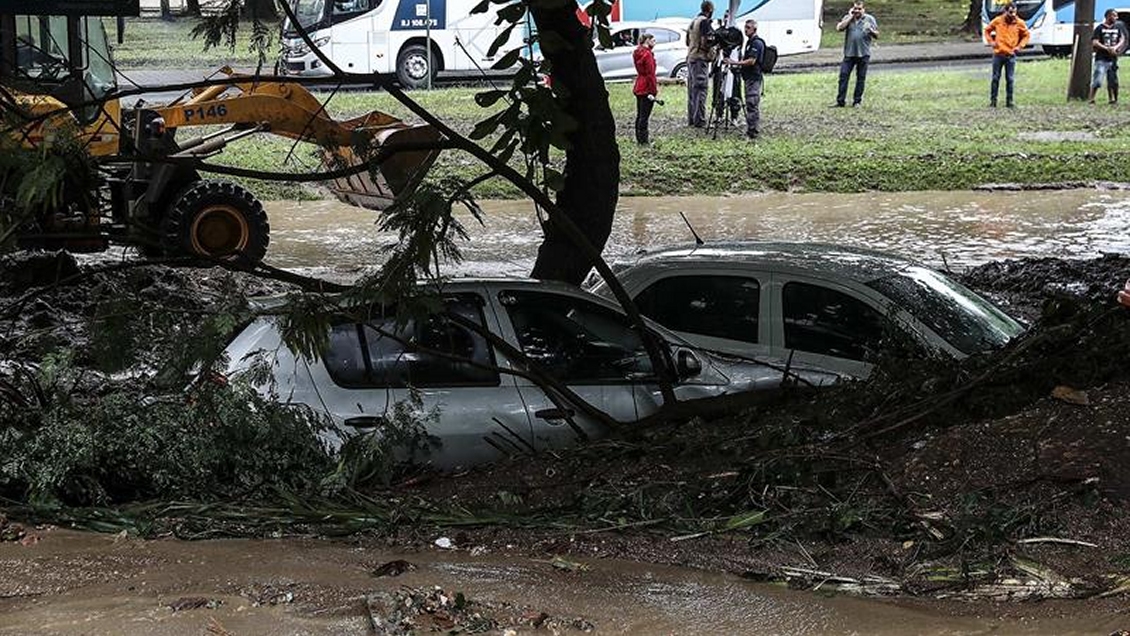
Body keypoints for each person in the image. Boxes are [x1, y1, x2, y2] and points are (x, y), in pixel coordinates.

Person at [983, 2, 1030, 108]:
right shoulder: (998, 21)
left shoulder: (1019, 23)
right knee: (995, 78)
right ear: (1005, 11)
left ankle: (1010, 101)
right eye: (1010, 12)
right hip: (998, 54)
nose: (1012, 15)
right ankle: (993, 101)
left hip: (1011, 55)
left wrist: (1020, 46)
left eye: (1014, 12)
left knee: (1010, 79)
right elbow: (987, 30)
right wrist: (991, 42)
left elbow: (1026, 35)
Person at [835, 1, 879, 108]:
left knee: (860, 78)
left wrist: (871, 31)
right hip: (849, 54)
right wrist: (850, 17)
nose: (857, 11)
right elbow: (839, 28)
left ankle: (857, 101)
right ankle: (841, 101)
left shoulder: (869, 19)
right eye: (855, 8)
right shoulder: (848, 18)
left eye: (859, 9)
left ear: (863, 9)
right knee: (843, 76)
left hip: (863, 54)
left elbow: (877, 35)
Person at [726, 19, 765, 139]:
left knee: (752, 103)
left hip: (754, 77)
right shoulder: (749, 42)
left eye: (748, 28)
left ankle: (753, 130)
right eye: (745, 27)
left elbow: (751, 61)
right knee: (749, 103)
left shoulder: (756, 43)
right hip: (748, 77)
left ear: (754, 29)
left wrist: (735, 63)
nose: (746, 30)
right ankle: (751, 128)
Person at [686, 1, 716, 128]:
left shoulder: (693, 21)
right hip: (700, 58)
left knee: (692, 90)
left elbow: (687, 41)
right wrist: (713, 49)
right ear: (710, 10)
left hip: (691, 57)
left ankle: (692, 119)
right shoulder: (705, 22)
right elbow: (706, 41)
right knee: (701, 89)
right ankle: (700, 120)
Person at [1090, 9, 1126, 105]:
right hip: (1101, 58)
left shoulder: (1118, 28)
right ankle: (1091, 99)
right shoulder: (1099, 28)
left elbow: (1122, 39)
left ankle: (1112, 99)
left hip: (1113, 58)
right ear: (1108, 16)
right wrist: (1106, 48)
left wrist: (1116, 48)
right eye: (1114, 16)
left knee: (1112, 80)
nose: (1116, 18)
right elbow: (1095, 42)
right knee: (1098, 79)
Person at [633, 33, 659, 145]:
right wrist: (653, 90)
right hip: (647, 87)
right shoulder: (648, 55)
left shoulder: (637, 52)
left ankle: (639, 138)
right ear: (647, 40)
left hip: (639, 85)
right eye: (653, 40)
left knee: (640, 114)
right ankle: (644, 140)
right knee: (645, 116)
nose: (655, 42)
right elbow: (650, 74)